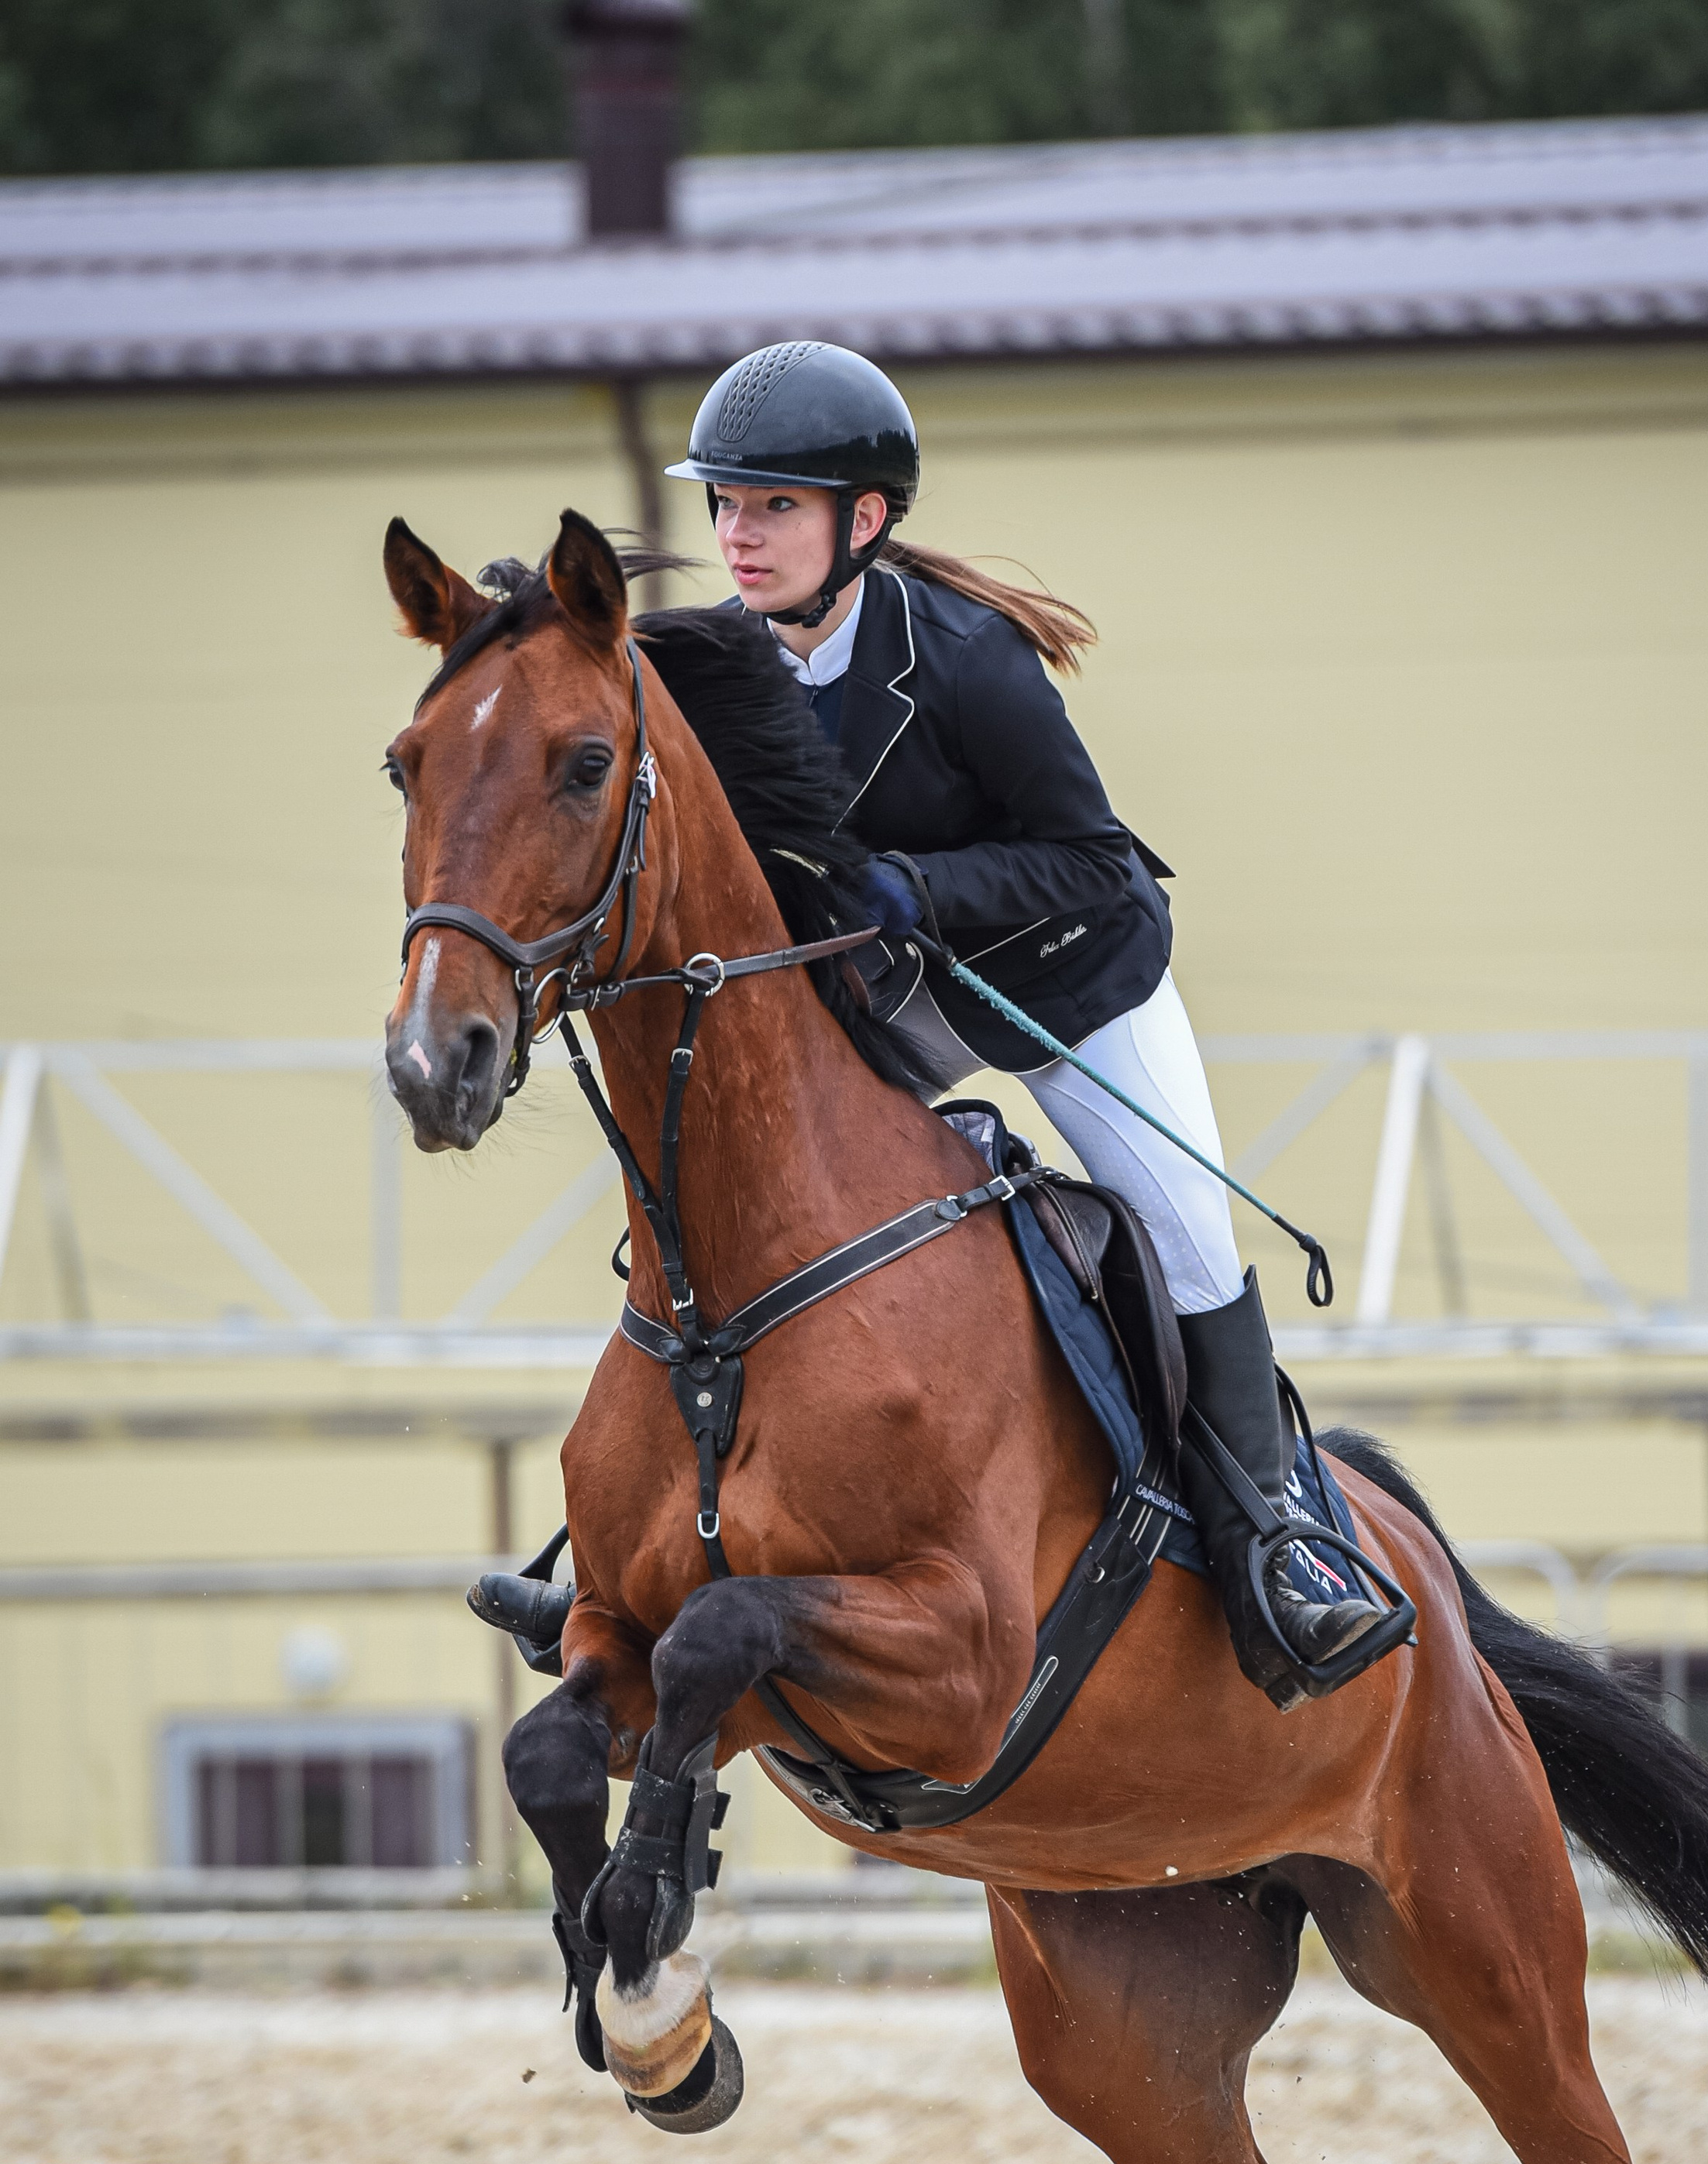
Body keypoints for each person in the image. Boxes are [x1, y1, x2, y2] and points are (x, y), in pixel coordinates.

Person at [476, 342, 1379, 1709]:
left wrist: (924, 886)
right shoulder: (706, 669)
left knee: (1183, 1231)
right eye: (725, 504)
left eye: (774, 506)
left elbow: (1091, 860)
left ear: (865, 521)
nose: (739, 534)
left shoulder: (966, 661)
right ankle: (615, 1544)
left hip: (1070, 975)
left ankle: (1280, 1542)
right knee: (734, 1199)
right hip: (886, 992)